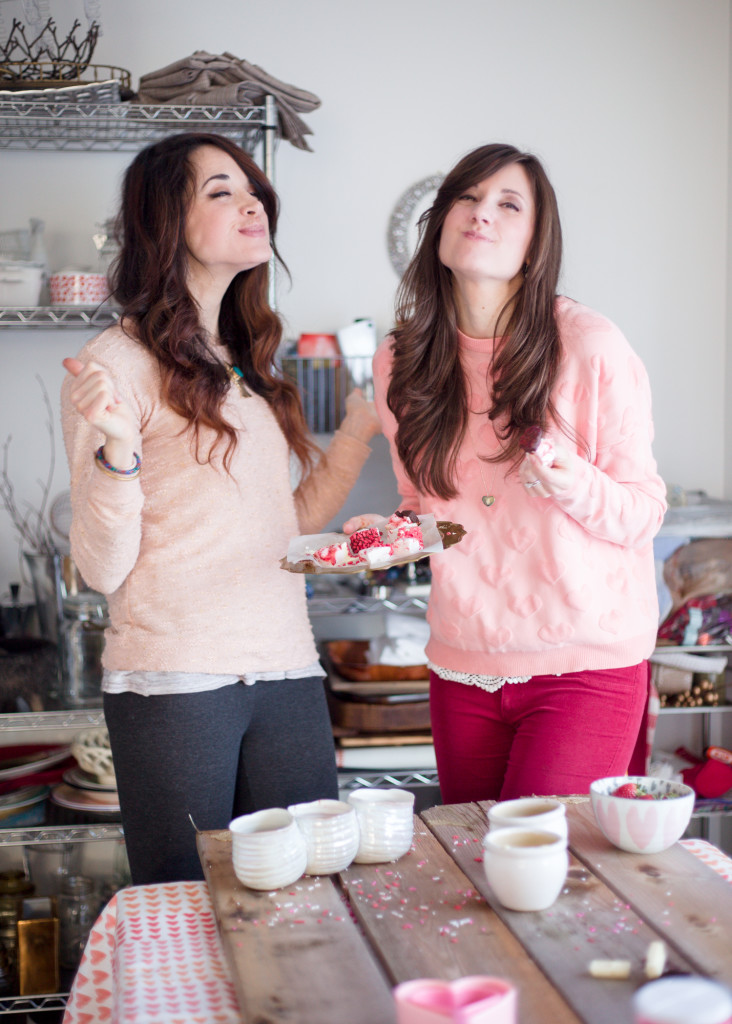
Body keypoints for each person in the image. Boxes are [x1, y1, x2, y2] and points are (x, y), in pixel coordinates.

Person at [60, 132, 381, 884]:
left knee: (307, 903)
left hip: (287, 672)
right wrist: (117, 457)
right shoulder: (118, 361)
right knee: (186, 909)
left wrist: (361, 428)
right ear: (165, 224)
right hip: (176, 684)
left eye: (252, 190)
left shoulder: (237, 358)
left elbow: (286, 525)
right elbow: (102, 566)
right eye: (219, 191)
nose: (251, 202)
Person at [352, 143, 667, 803]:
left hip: (586, 666)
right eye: (466, 197)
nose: (481, 213)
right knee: (477, 873)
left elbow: (644, 513)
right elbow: (433, 510)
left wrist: (572, 480)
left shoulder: (590, 345)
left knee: (547, 881)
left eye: (507, 203)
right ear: (440, 222)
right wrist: (389, 534)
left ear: (534, 244)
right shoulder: (399, 362)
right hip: (462, 662)